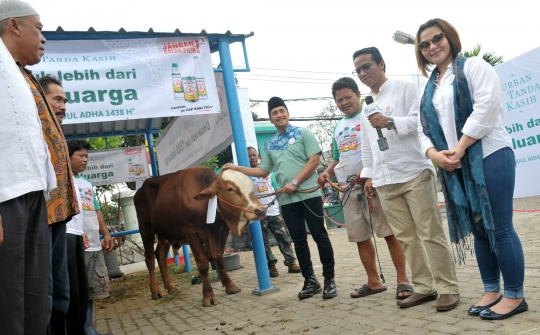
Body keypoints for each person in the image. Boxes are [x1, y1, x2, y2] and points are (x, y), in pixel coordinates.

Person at [415, 18, 527, 320]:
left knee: (500, 227)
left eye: (436, 38)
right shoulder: (428, 88)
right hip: (454, 166)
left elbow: (487, 107)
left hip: (490, 154)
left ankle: (515, 296)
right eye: (424, 44)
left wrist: (461, 147)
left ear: (449, 37)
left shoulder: (474, 66)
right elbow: (421, 128)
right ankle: (492, 290)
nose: (431, 47)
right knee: (478, 231)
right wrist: (435, 156)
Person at [353, 46, 460, 311]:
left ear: (381, 64)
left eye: (367, 66)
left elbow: (420, 122)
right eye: (358, 70)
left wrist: (390, 121)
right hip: (385, 180)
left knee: (430, 232)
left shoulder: (405, 88)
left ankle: (448, 287)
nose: (363, 73)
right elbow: (367, 144)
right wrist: (368, 176)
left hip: (413, 171)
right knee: (406, 237)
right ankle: (424, 287)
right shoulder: (366, 105)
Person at [0, 1, 77, 333]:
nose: (43, 37)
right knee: (10, 301)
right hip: (6, 195)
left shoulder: (20, 73)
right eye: (39, 27)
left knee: (36, 297)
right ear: (14, 25)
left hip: (35, 196)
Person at [223, 97, 337, 300]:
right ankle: (310, 281)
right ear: (270, 118)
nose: (279, 115)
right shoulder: (271, 144)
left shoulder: (304, 133)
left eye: (281, 111)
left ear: (288, 113)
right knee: (298, 241)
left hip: (309, 194)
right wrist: (235, 167)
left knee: (320, 236)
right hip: (287, 200)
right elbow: (262, 170)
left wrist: (294, 182)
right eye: (274, 112)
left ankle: (329, 280)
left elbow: (314, 160)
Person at [318, 77, 413, 299]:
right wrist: (327, 173)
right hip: (347, 189)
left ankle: (403, 280)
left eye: (348, 97)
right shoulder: (338, 126)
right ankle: (373, 281)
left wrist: (367, 172)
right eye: (339, 100)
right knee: (360, 236)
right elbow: (336, 156)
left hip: (373, 184)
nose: (344, 102)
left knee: (389, 232)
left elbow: (380, 147)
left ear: (358, 95)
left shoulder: (370, 116)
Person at [68, 139, 114, 335]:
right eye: (80, 156)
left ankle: (88, 327)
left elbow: (96, 210)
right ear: (67, 156)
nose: (85, 160)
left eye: (86, 156)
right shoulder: (63, 181)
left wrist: (106, 233)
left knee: (91, 290)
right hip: (76, 242)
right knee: (76, 290)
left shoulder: (87, 183)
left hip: (94, 245)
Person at [39, 75, 72, 335]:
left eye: (65, 101)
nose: (63, 106)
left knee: (61, 290)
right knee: (44, 290)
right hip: (40, 214)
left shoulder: (57, 130)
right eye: (57, 99)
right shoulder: (31, 128)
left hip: (60, 216)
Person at [246, 146, 301, 277]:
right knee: (262, 242)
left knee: (284, 238)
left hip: (273, 211)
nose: (252, 157)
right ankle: (271, 266)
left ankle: (291, 262)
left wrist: (281, 189)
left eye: (254, 155)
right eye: (249, 156)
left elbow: (276, 187)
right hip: (257, 214)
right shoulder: (246, 175)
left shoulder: (269, 172)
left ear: (258, 156)